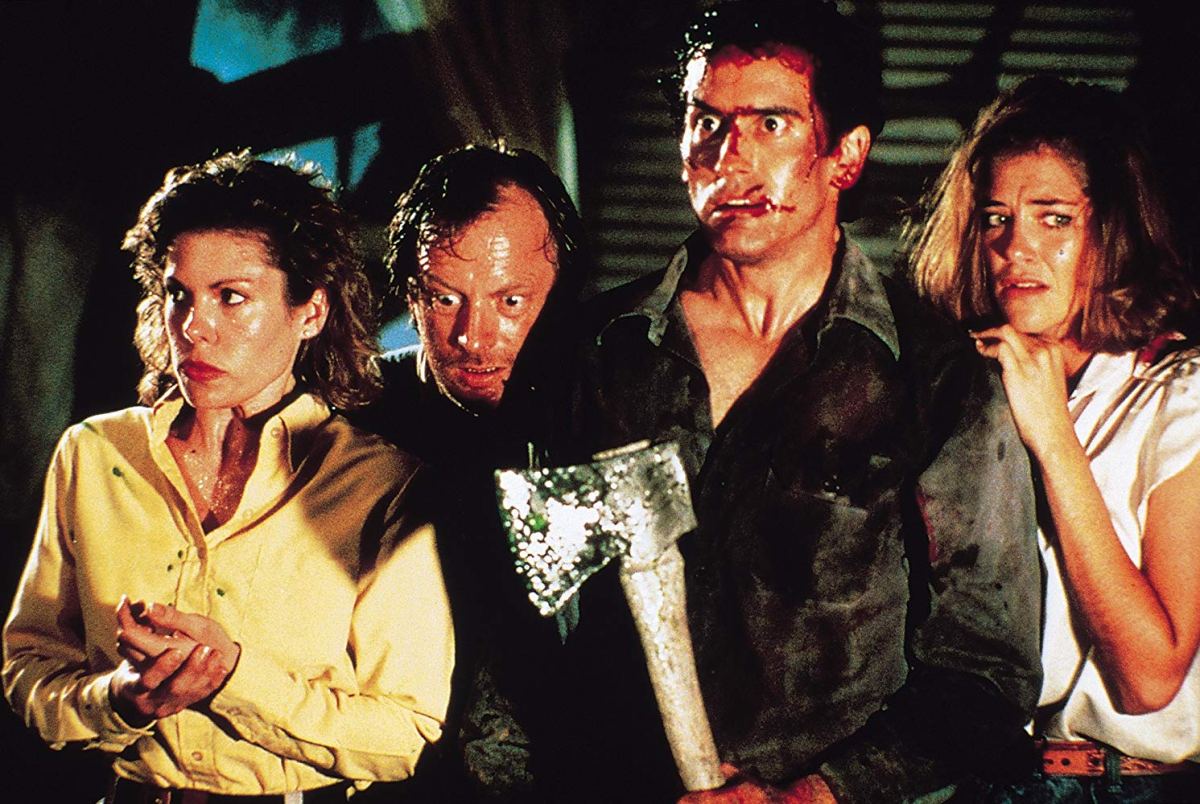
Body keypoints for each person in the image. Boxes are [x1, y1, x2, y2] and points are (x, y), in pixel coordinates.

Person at [555, 2, 1043, 802]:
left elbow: (987, 670)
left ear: (845, 155)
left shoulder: (933, 376)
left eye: (771, 124)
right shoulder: (600, 353)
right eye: (706, 123)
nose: (730, 157)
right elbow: (529, 636)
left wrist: (813, 796)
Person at [2, 151, 454, 803]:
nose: (194, 328)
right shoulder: (95, 454)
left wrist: (232, 679)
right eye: (177, 295)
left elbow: (404, 734)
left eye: (231, 297)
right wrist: (118, 700)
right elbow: (28, 667)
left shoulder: (380, 485)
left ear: (311, 311)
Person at [911, 76, 1200, 802]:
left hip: (1129, 787)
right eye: (996, 219)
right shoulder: (962, 389)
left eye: (1055, 219)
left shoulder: (1180, 395)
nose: (1017, 248)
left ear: (1113, 231)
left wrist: (1055, 438)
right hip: (981, 781)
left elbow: (1149, 680)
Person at [350, 143, 587, 802]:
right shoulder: (348, 416)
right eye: (445, 298)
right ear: (410, 295)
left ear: (560, 293)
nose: (474, 336)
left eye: (510, 301)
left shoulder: (603, 415)